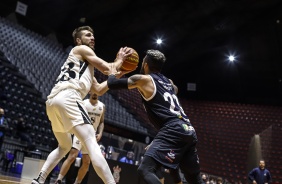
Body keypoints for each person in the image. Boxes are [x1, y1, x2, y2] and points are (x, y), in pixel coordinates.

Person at [31, 25, 132, 184]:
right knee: (92, 142)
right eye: (87, 35)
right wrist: (119, 59)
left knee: (63, 146)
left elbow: (98, 90)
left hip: (53, 102)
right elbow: (107, 69)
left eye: (93, 35)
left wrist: (120, 73)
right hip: (69, 97)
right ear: (79, 40)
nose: (92, 37)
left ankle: (39, 179)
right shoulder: (82, 50)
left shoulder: (83, 65)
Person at [106, 49, 204, 184]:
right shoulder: (169, 82)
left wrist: (116, 66)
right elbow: (174, 90)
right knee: (195, 180)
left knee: (145, 170)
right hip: (188, 129)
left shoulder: (143, 79)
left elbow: (111, 83)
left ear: (145, 64)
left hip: (173, 128)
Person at [55, 92, 106, 184]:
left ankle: (77, 182)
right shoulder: (84, 103)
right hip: (81, 132)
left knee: (86, 162)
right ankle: (59, 179)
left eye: (96, 92)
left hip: (91, 136)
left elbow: (102, 122)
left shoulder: (102, 106)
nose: (95, 94)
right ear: (90, 92)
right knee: (72, 156)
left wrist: (100, 133)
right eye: (93, 92)